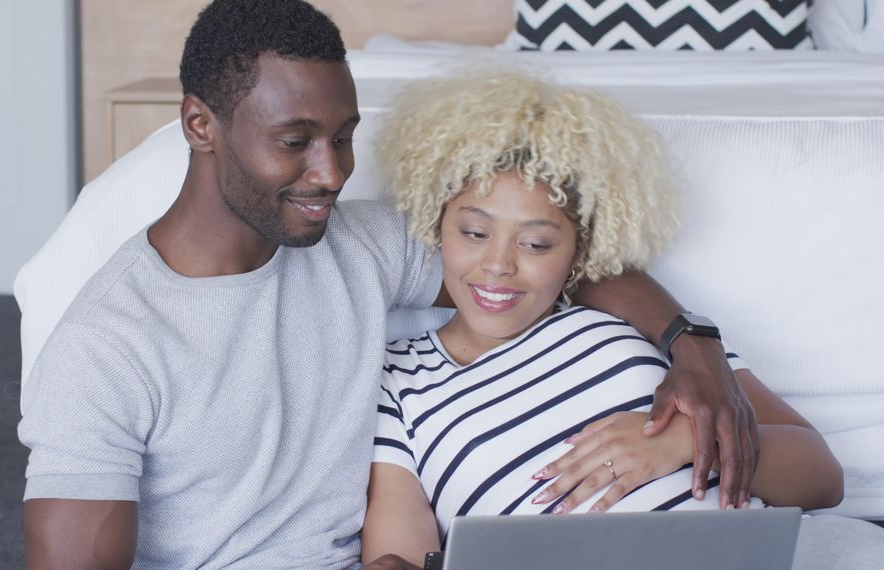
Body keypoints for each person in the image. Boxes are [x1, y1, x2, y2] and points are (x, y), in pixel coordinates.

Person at [18, 1, 758, 568]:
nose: (333, 172)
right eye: (295, 141)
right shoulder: (102, 348)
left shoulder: (354, 242)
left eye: (342, 137)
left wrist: (691, 346)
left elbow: (544, 261)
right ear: (200, 125)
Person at [361, 70, 844, 566]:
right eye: (473, 232)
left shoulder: (630, 322)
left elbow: (824, 478)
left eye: (536, 244)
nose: (499, 265)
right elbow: (399, 553)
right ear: (436, 225)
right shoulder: (396, 382)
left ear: (579, 249)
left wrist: (688, 442)